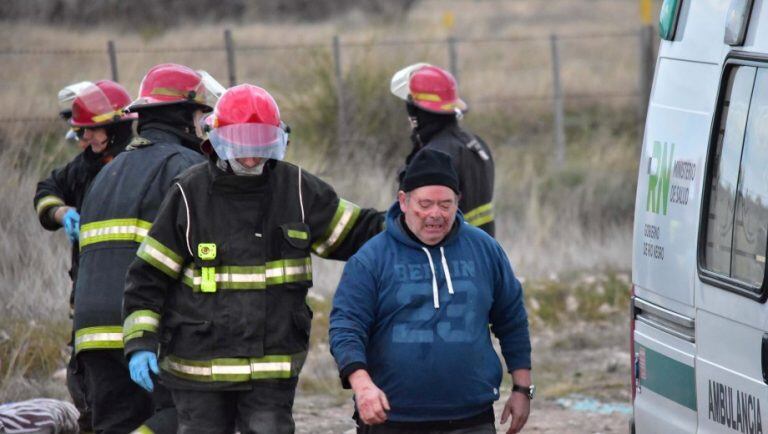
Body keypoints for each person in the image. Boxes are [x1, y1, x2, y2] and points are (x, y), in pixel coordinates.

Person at [121, 84, 384, 434]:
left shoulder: (298, 189)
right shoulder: (189, 192)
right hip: (199, 371)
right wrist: (140, 342)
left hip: (270, 370)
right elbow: (147, 278)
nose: (251, 156)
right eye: (241, 144)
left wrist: (414, 214)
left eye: (260, 143)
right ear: (217, 140)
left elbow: (356, 231)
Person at [329, 149, 532, 434]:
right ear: (403, 201)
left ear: (458, 202)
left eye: (445, 204)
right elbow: (346, 328)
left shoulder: (485, 249)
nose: (436, 214)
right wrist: (362, 386)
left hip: (472, 418)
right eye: (425, 204)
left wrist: (523, 389)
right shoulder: (371, 258)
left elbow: (511, 319)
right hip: (392, 419)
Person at [73, 63, 216, 433]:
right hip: (147, 328)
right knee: (190, 417)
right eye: (202, 114)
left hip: (91, 331)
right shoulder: (187, 166)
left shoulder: (108, 172)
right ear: (184, 117)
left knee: (117, 423)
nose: (205, 125)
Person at [33, 79, 135, 433]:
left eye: (93, 132)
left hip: (133, 297)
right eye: (81, 132)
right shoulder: (83, 166)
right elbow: (47, 190)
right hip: (89, 296)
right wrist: (61, 214)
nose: (86, 140)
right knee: (87, 392)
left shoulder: (138, 165)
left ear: (117, 126)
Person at [390, 63, 496, 237]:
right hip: (482, 254)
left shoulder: (432, 157)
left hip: (446, 256)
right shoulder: (475, 144)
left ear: (416, 112)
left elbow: (414, 225)